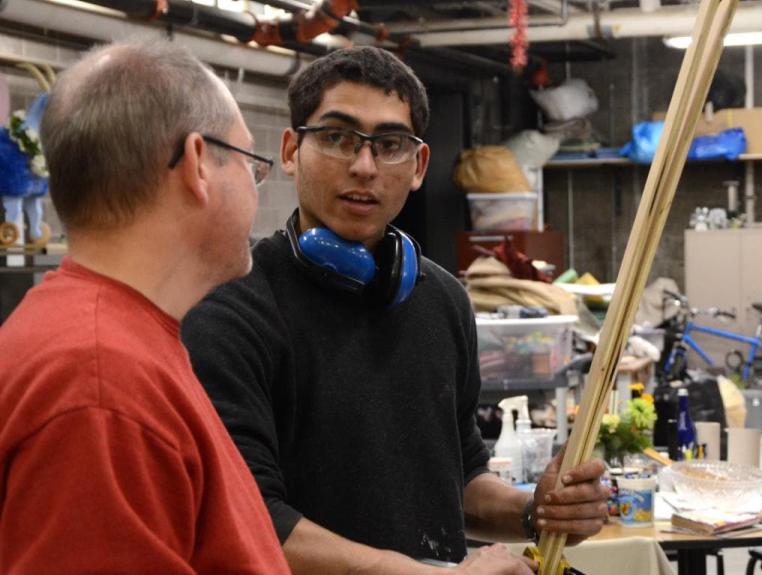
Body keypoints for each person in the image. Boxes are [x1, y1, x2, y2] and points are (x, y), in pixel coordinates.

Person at [182, 46, 608, 574]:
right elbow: (245, 518)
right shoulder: (231, 309)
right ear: (291, 150)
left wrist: (536, 512)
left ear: (418, 166)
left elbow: (462, 475)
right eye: (337, 137)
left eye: (390, 145)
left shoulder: (442, 299)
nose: (364, 166)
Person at [0, 41, 289, 574]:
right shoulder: (100, 384)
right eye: (253, 163)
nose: (256, 187)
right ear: (198, 163)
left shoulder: (115, 341)